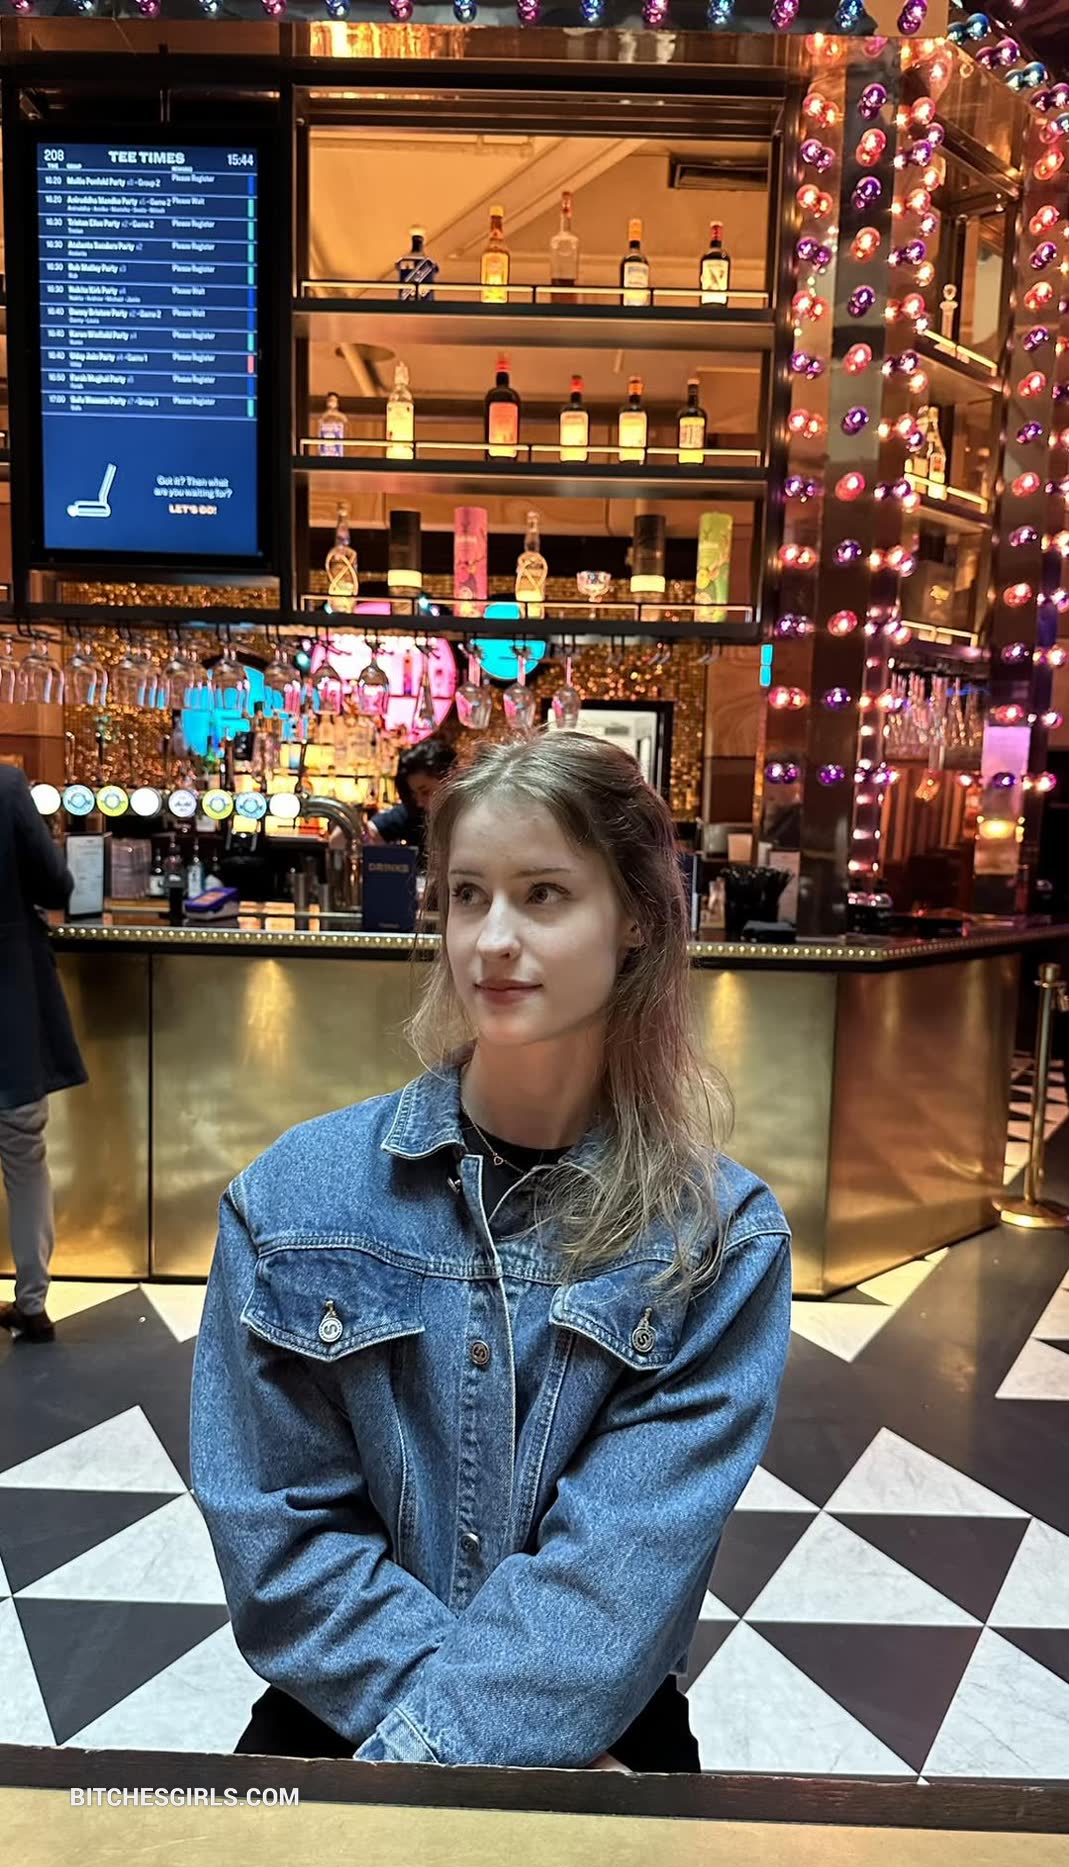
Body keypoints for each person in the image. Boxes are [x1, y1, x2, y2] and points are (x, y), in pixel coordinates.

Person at [190, 730, 792, 1771]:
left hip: (601, 1729)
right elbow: (278, 1542)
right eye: (468, 895)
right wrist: (476, 1761)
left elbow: (616, 1579)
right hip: (345, 1718)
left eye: (543, 895)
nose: (491, 940)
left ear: (636, 916)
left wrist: (452, 1759)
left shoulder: (716, 1239)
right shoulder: (293, 1197)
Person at [0, 766, 87, 1344]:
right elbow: (57, 886)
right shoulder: (7, 788)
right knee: (24, 1154)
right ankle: (31, 1303)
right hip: (10, 1008)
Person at [364, 736, 457, 855]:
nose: (419, 802)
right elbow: (369, 831)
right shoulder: (416, 814)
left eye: (425, 792)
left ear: (450, 778)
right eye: (414, 794)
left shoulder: (472, 814)